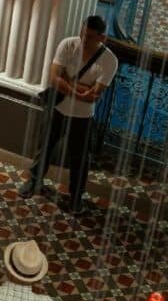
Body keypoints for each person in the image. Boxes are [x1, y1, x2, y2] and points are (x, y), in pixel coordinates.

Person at [19, 15, 118, 214]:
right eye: (82, 34)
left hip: (83, 117)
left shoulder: (110, 60)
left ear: (102, 38)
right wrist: (78, 89)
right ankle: (35, 180)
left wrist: (67, 83)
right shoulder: (67, 45)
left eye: (89, 37)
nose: (84, 40)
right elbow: (54, 78)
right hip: (58, 108)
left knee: (79, 157)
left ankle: (76, 196)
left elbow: (93, 96)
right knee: (45, 146)